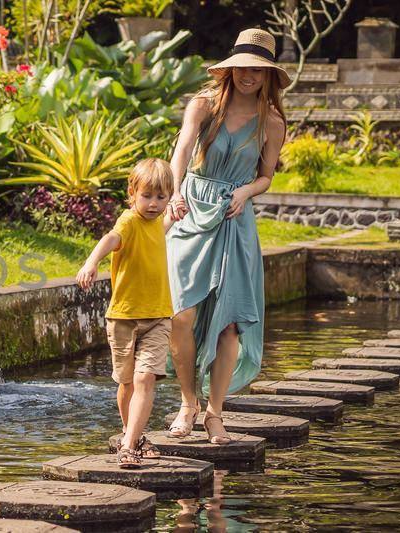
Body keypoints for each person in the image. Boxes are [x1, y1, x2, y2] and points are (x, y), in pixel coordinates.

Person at [163, 28, 287, 445]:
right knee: (182, 315)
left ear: (268, 75)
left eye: (257, 69)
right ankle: (187, 403)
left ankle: (215, 413)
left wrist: (247, 191)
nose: (248, 76)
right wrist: (175, 191)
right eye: (241, 68)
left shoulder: (271, 121)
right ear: (229, 69)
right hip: (192, 208)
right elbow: (182, 149)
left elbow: (266, 175)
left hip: (236, 218)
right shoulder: (204, 106)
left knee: (230, 323)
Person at [75, 158, 176, 468]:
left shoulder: (158, 222)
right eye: (147, 196)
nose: (154, 204)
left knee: (146, 378)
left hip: (158, 315)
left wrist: (174, 217)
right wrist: (91, 262)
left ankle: (129, 445)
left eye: (161, 197)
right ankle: (131, 432)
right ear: (133, 193)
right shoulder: (129, 221)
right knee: (127, 382)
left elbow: (159, 232)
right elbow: (111, 239)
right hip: (123, 317)